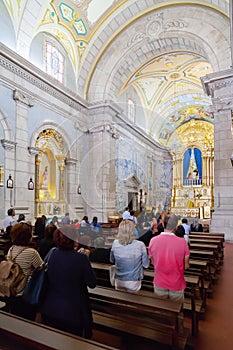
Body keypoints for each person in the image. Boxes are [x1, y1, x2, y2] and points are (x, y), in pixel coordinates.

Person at [40, 228, 96, 338]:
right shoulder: (81, 258)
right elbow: (92, 283)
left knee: (52, 339)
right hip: (73, 310)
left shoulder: (52, 254)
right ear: (74, 239)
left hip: (50, 306)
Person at [6, 222, 43, 320]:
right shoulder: (32, 253)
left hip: (11, 289)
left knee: (14, 318)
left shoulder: (11, 249)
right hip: (25, 292)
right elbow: (41, 268)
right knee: (27, 319)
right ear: (28, 236)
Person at [148, 214, 190, 301]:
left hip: (160, 280)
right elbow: (186, 266)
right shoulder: (182, 242)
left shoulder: (153, 241)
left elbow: (152, 262)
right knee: (177, 309)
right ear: (177, 226)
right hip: (176, 282)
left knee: (162, 310)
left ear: (162, 224)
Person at [110, 220, 149, 292]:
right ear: (133, 230)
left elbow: (112, 260)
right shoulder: (140, 245)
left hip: (119, 279)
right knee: (133, 300)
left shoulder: (115, 243)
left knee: (120, 301)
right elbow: (146, 265)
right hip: (133, 280)